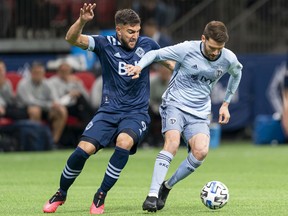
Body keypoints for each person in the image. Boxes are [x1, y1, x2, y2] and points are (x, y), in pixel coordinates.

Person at [43, 3, 173, 214]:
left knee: (123, 142)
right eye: (130, 31)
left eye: (137, 31)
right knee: (83, 150)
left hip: (136, 113)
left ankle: (101, 194)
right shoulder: (105, 43)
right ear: (118, 29)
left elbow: (171, 64)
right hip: (108, 111)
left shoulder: (148, 45)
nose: (135, 36)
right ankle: (61, 192)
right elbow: (71, 39)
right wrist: (83, 21)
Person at [127, 20, 243, 212]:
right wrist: (139, 66)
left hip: (199, 111)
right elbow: (155, 54)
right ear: (203, 38)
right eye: (212, 47)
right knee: (171, 144)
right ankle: (152, 195)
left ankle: (166, 187)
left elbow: (237, 73)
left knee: (201, 152)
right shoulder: (186, 49)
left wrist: (226, 103)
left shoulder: (228, 58)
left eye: (219, 49)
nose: (215, 53)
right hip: (175, 104)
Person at [16, 61, 67, 145]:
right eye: (35, 72)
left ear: (44, 73)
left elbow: (55, 99)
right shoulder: (23, 84)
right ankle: (37, 142)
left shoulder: (48, 83)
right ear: (31, 73)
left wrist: (55, 104)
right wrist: (50, 105)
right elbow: (30, 101)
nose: (38, 75)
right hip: (24, 110)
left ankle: (53, 142)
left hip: (45, 109)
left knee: (61, 110)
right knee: (35, 110)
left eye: (40, 72)